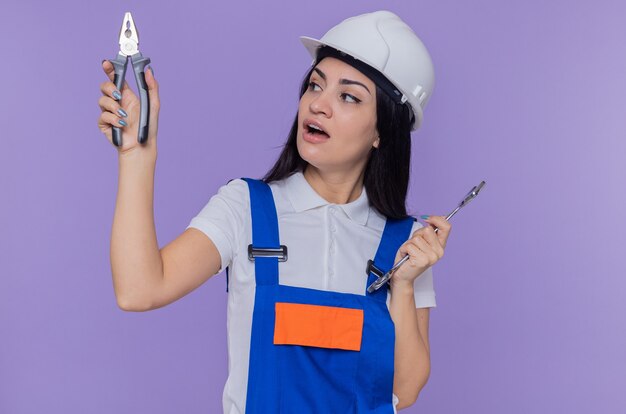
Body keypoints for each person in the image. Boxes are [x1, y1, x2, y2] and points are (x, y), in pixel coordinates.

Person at [98, 9, 451, 414]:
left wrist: (403, 286)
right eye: (315, 85)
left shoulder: (408, 245)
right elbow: (139, 289)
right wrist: (136, 153)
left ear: (381, 132)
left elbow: (403, 392)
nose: (319, 105)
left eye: (348, 96)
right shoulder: (246, 208)